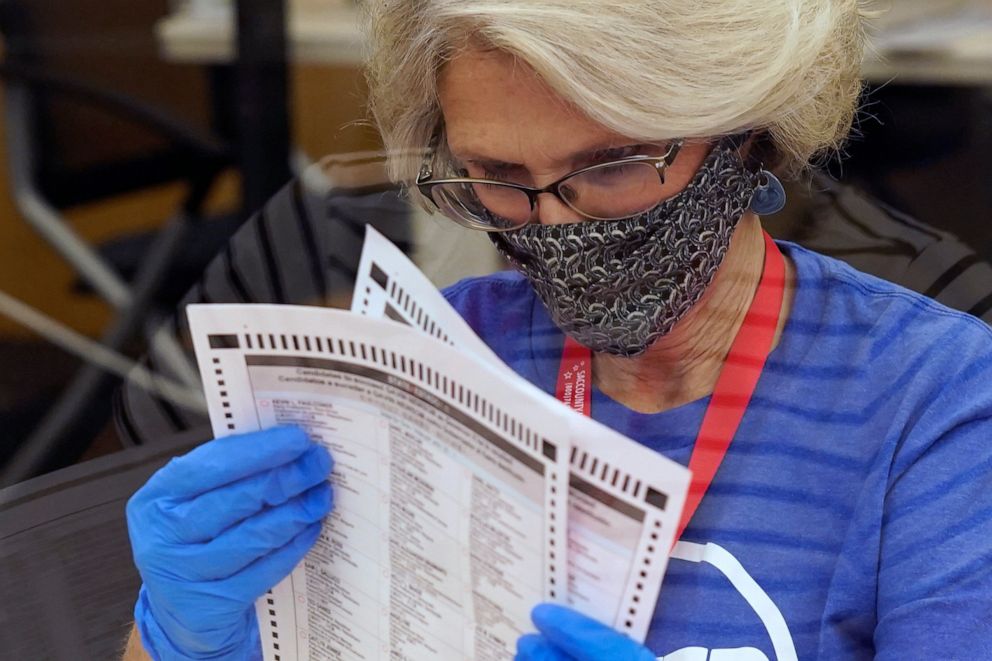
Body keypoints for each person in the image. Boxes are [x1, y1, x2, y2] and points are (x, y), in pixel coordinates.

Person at [122, 1, 992, 659]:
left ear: (748, 137)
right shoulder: (438, 356)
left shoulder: (937, 405)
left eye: (610, 165)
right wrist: (181, 637)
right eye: (496, 175)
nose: (556, 223)